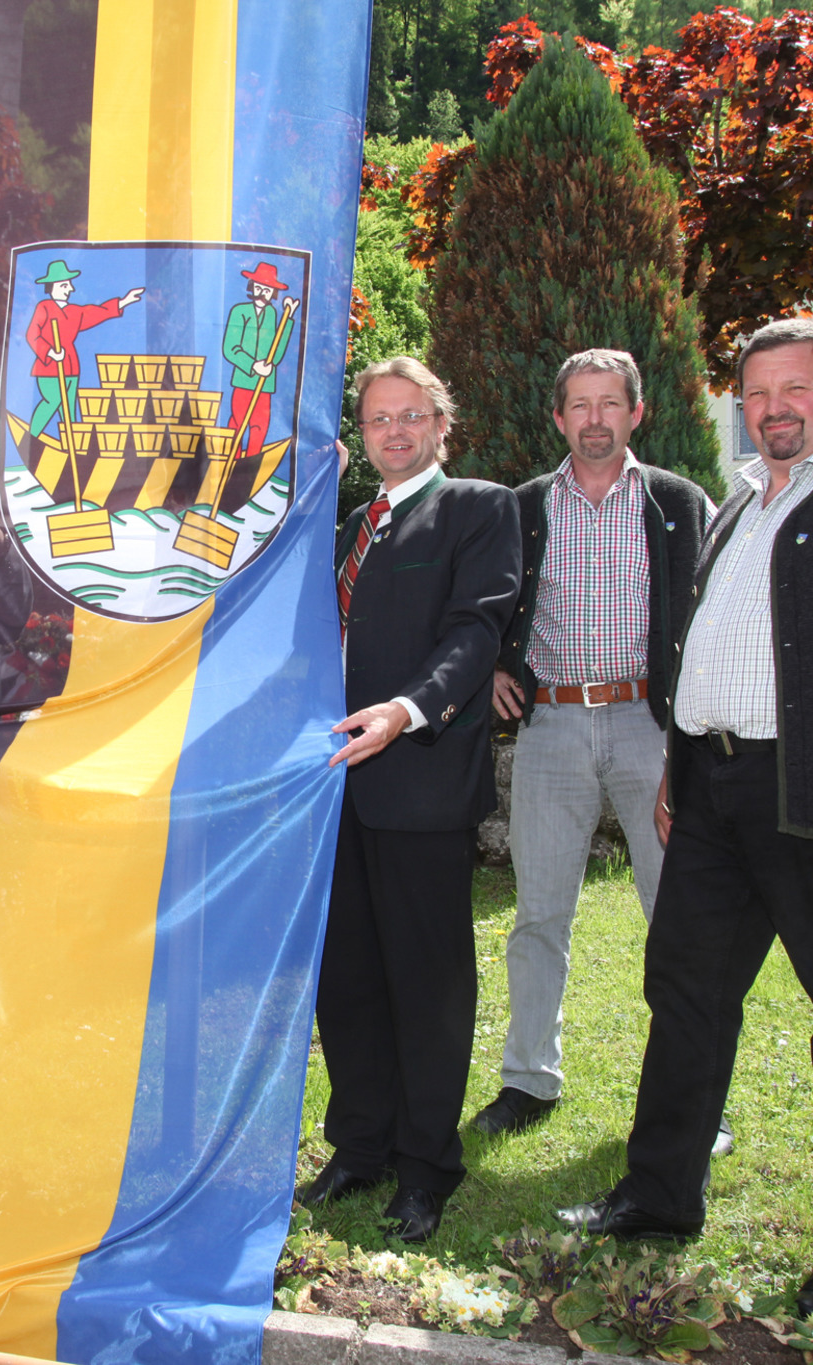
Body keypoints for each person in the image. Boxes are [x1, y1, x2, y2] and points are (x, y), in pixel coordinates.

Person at [557, 319, 813, 1316]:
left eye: (795, 388)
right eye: (755, 393)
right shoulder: (743, 500)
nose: (773, 408)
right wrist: (682, 762)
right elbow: (713, 643)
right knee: (685, 990)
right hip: (713, 788)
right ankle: (661, 1195)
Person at [300, 356, 522, 1243]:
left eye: (410, 415)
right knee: (347, 976)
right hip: (334, 789)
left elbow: (475, 633)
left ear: (440, 423)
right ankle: (361, 1145)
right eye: (378, 419)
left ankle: (427, 1167)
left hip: (420, 779)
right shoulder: (351, 527)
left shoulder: (479, 508)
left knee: (428, 986)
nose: (393, 431)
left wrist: (407, 709)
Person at [469, 350, 716, 1146]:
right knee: (539, 914)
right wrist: (494, 666)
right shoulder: (524, 507)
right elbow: (482, 603)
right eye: (579, 404)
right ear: (559, 417)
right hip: (553, 726)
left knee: (676, 913)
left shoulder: (678, 501)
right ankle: (528, 1079)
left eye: (610, 403)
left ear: (636, 412)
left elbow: (713, 611)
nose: (595, 419)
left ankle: (693, 1099)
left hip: (652, 725)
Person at [24, 260, 145, 440]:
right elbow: (32, 334)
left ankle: (71, 447)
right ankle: (30, 439)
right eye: (65, 285)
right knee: (53, 401)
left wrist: (124, 301)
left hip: (71, 368)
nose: (70, 289)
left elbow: (98, 312)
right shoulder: (44, 307)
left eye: (69, 285)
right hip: (49, 369)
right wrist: (50, 352)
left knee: (69, 410)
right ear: (52, 287)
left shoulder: (74, 311)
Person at [221, 262, 299, 462]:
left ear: (273, 293)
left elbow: (277, 349)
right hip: (243, 381)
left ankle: (250, 465)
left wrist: (289, 317)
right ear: (252, 287)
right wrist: (252, 365)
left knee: (259, 427)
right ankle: (230, 462)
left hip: (265, 384)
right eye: (258, 287)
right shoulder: (240, 311)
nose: (262, 293)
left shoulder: (272, 314)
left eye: (267, 290)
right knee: (237, 423)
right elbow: (230, 348)